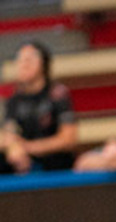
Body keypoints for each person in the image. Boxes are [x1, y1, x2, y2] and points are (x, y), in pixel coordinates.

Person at [0, 41, 78, 174]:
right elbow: (8, 132)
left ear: (43, 64)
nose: (23, 65)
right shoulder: (14, 100)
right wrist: (14, 149)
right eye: (20, 60)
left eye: (29, 60)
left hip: (54, 162)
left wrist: (28, 147)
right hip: (23, 160)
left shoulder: (57, 94)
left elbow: (68, 139)